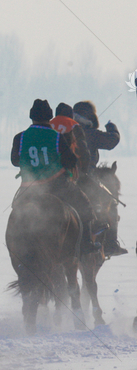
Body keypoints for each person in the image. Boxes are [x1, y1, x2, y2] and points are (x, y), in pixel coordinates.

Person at [11, 99, 99, 253]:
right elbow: (70, 160)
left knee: (16, 215)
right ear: (49, 117)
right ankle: (86, 245)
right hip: (57, 186)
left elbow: (15, 161)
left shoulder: (20, 137)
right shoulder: (57, 137)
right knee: (84, 205)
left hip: (29, 190)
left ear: (32, 117)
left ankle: (17, 250)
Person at [72, 100, 126, 256]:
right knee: (111, 201)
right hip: (86, 180)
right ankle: (110, 243)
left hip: (64, 179)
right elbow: (111, 141)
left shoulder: (65, 132)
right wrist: (112, 128)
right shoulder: (89, 133)